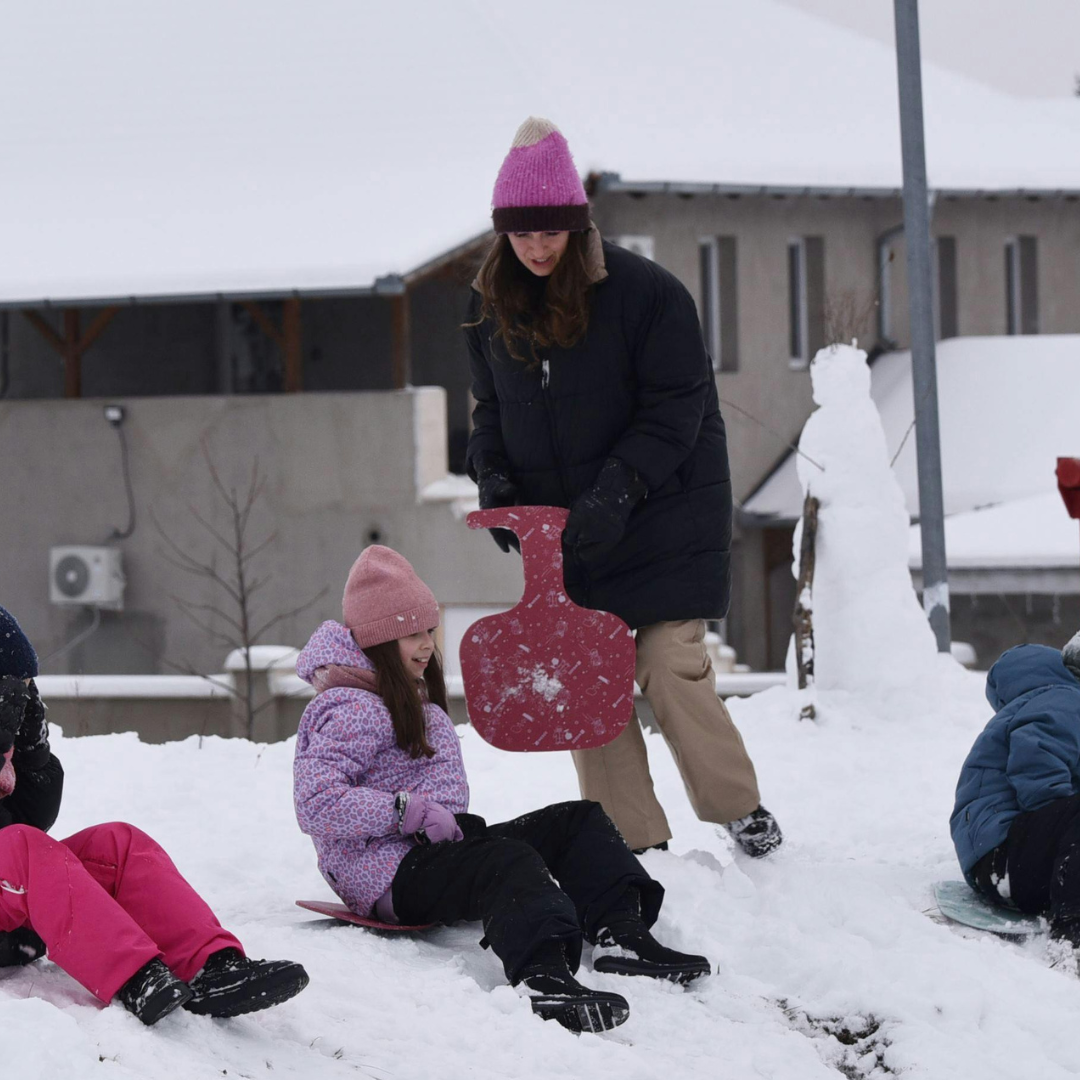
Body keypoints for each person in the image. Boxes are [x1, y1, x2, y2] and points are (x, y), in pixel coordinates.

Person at [464, 115, 781, 857]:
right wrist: (495, 479)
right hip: (574, 534)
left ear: (578, 224)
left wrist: (618, 488)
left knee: (667, 664)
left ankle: (740, 810)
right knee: (586, 675)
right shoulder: (485, 308)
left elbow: (679, 408)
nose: (538, 247)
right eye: (522, 233)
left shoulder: (646, 294)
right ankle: (633, 843)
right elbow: (488, 412)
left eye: (551, 231)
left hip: (667, 516)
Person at [292, 545, 711, 1033]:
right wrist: (405, 812)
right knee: (505, 862)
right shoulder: (351, 707)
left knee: (577, 821)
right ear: (379, 641)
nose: (427, 643)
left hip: (427, 854)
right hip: (385, 873)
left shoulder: (404, 691)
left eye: (429, 629)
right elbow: (316, 803)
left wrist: (432, 818)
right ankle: (544, 978)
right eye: (411, 634)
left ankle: (623, 936)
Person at [0, 605, 309, 1025]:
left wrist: (33, 756)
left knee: (117, 843)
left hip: (14, 915)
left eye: (21, 692)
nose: (17, 702)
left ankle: (212, 966)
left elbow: (34, 816)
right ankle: (135, 976)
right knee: (24, 848)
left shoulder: (10, 747)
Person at [951, 632, 1080, 965]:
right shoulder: (1065, 700)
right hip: (1005, 856)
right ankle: (1073, 932)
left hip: (1001, 864)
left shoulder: (1051, 700)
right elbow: (1038, 772)